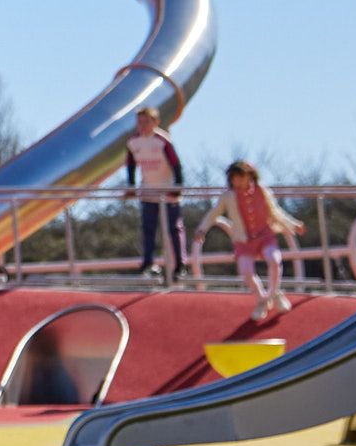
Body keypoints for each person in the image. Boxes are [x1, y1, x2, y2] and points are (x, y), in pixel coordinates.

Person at [203, 161, 302, 316]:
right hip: (244, 240)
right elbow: (214, 213)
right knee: (246, 271)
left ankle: (275, 293)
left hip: (265, 236)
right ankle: (262, 299)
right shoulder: (228, 196)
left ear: (249, 176)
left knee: (274, 260)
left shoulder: (262, 191)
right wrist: (202, 229)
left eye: (240, 177)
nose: (237, 182)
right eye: (234, 178)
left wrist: (294, 225)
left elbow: (276, 212)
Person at [125, 108, 188, 284]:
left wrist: (177, 187)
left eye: (146, 122)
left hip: (167, 192)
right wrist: (131, 186)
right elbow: (130, 165)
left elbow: (177, 165)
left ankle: (180, 265)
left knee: (174, 229)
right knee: (148, 229)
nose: (143, 126)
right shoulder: (133, 142)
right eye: (140, 122)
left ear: (155, 122)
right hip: (148, 191)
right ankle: (147, 263)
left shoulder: (163, 140)